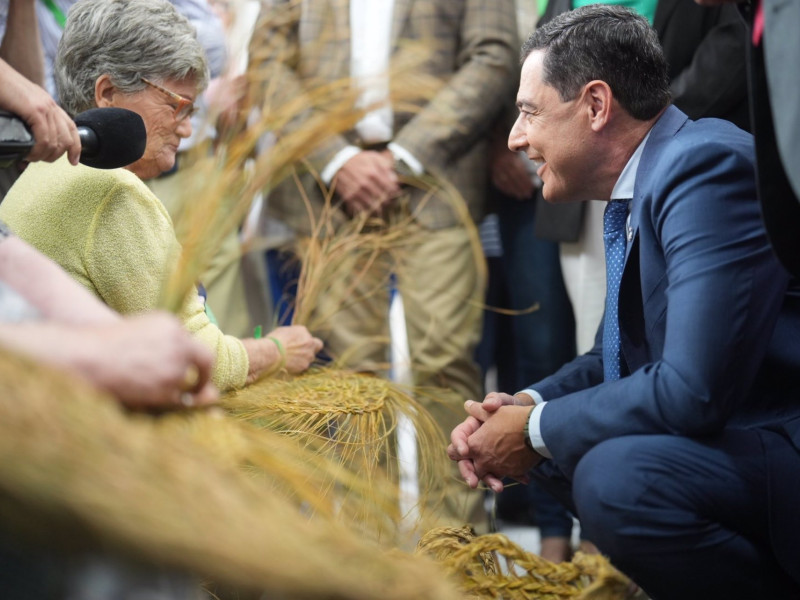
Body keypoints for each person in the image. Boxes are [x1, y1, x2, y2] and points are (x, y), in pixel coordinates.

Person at [447, 6, 800, 599]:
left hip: (778, 439)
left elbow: (692, 390)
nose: (514, 138)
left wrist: (531, 430)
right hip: (739, 442)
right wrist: (523, 406)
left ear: (595, 105)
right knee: (565, 443)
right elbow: (611, 356)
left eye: (529, 112)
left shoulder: (702, 167)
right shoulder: (652, 179)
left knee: (617, 479)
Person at [254, 0, 518, 528]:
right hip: (329, 187)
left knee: (444, 358)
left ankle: (457, 541)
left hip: (437, 178)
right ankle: (364, 537)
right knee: (352, 369)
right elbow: (267, 62)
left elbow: (494, 54)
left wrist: (407, 156)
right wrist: (336, 158)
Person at [0, 0, 322, 392]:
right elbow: (198, 360)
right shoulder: (113, 193)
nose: (187, 130)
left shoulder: (44, 169)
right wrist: (277, 349)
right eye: (178, 107)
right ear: (108, 92)